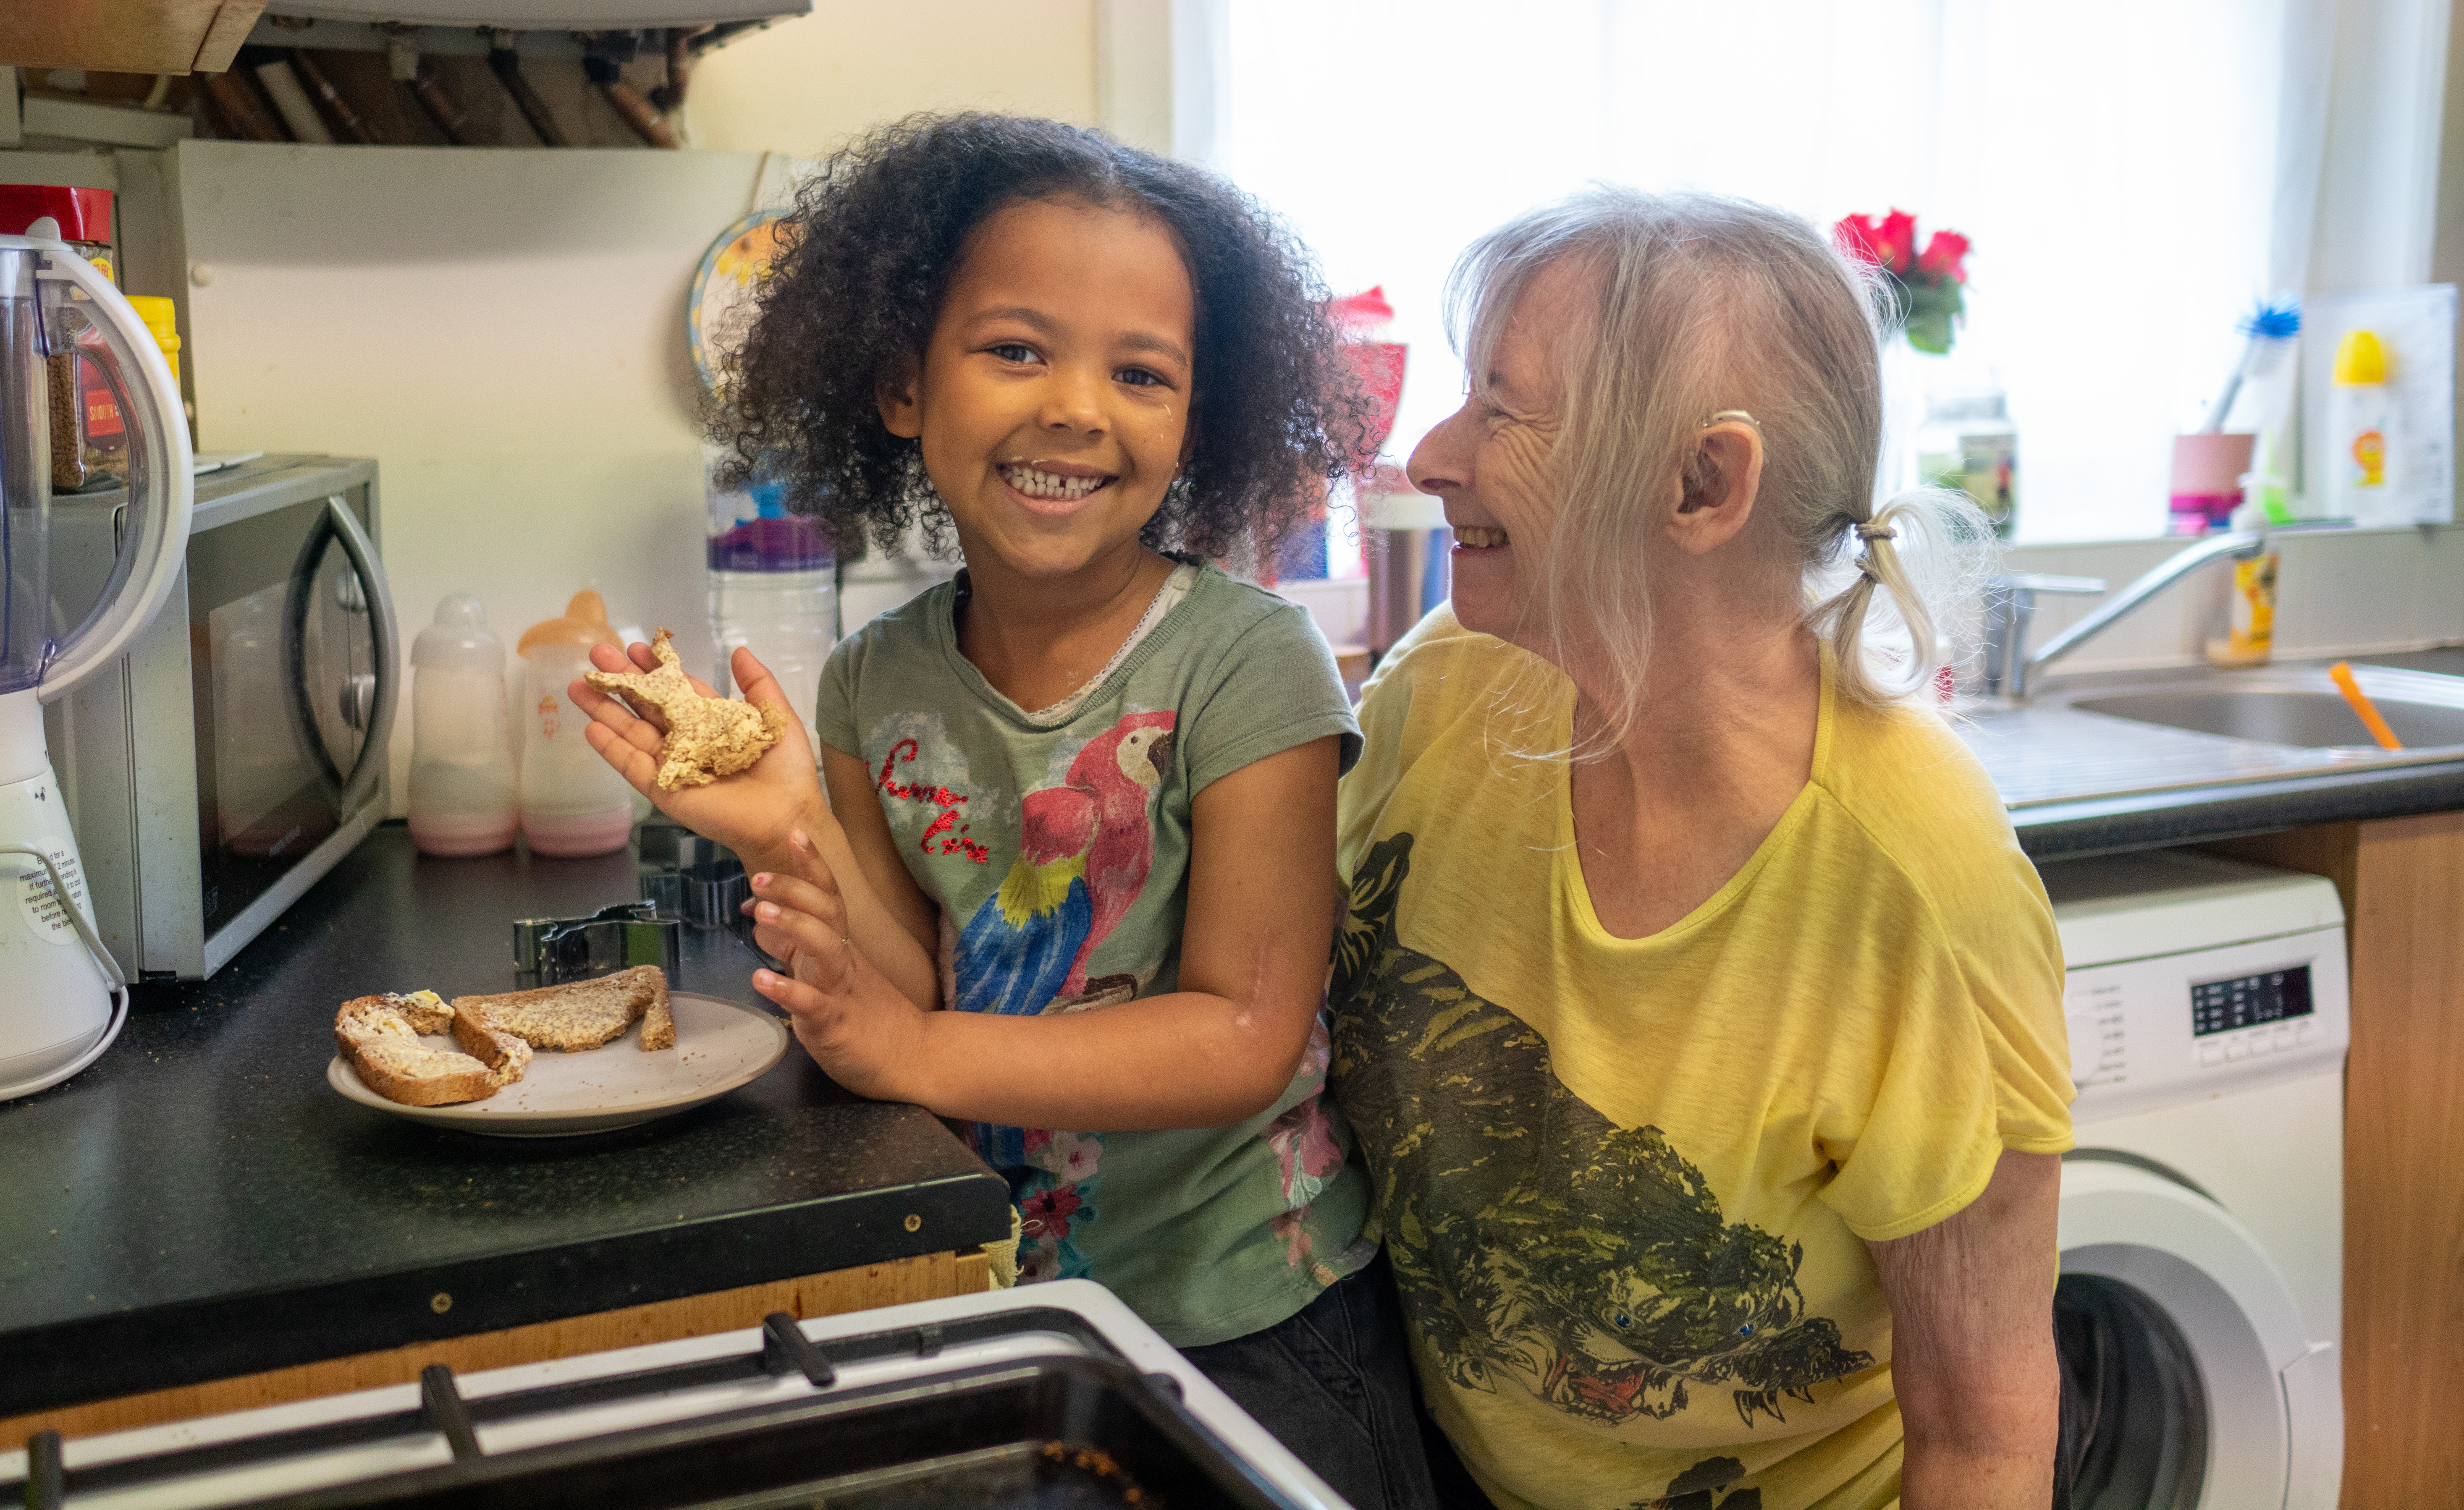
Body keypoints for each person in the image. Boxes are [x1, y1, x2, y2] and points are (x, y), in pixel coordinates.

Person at [571, 113, 1435, 1510]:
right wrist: (786, 824)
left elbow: (1243, 1032)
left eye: (1140, 371)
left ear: (1197, 422)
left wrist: (910, 1049)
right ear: (905, 385)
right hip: (1013, 1302)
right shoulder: (871, 682)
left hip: (1256, 1326)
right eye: (1018, 349)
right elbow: (915, 971)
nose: (1076, 407)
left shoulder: (1248, 658)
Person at [1330, 190, 2075, 1510]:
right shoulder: (1444, 690)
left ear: (1702, 484)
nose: (1430, 456)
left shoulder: (1918, 887)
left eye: (1503, 412)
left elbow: (1981, 1431)